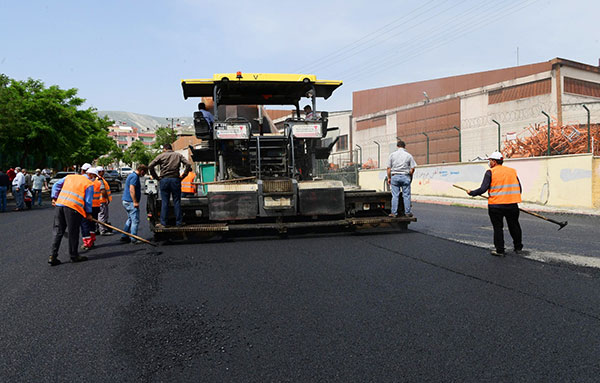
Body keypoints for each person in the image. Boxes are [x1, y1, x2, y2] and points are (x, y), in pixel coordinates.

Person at [465, 151, 523, 257]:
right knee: (514, 226)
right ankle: (518, 247)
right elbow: (519, 188)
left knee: (498, 228)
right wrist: (511, 198)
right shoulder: (512, 171)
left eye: (490, 160)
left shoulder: (490, 172)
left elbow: (483, 189)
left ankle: (500, 250)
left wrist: (472, 193)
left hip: (496, 206)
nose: (489, 163)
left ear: (494, 162)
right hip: (512, 205)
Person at [49, 171, 95, 265]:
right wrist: (89, 213)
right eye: (94, 176)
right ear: (90, 175)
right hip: (73, 209)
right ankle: (74, 256)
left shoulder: (69, 177)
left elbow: (55, 186)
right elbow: (88, 201)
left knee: (58, 231)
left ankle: (52, 256)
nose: (94, 178)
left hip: (60, 205)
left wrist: (54, 198)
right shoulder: (89, 184)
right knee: (73, 232)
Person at [148, 144, 192, 227]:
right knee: (177, 202)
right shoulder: (178, 155)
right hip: (175, 179)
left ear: (164, 149)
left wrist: (156, 177)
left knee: (165, 202)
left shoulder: (161, 156)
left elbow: (150, 166)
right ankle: (179, 222)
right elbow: (188, 164)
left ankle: (163, 222)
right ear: (171, 148)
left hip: (164, 180)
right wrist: (183, 175)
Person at [387, 140, 417, 217]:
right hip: (405, 176)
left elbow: (388, 168)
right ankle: (407, 212)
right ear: (404, 146)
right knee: (406, 195)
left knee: (395, 196)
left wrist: (389, 178)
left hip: (395, 176)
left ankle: (394, 213)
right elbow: (413, 168)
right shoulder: (409, 155)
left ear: (397, 146)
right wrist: (410, 174)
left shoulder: (392, 155)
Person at [120, 164, 148, 244]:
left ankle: (124, 236)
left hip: (126, 201)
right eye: (144, 173)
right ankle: (134, 239)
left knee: (130, 219)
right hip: (130, 202)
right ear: (142, 171)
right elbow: (132, 189)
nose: (144, 174)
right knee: (135, 220)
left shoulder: (132, 175)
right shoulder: (135, 177)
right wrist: (135, 201)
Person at [80, 167, 103, 251]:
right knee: (92, 224)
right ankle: (92, 240)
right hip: (96, 206)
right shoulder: (98, 182)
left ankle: (87, 243)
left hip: (87, 207)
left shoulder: (86, 183)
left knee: (85, 225)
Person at [96, 166, 113, 236]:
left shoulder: (96, 179)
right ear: (100, 172)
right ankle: (103, 230)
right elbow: (103, 190)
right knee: (102, 216)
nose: (104, 172)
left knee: (100, 216)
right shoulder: (100, 180)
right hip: (102, 200)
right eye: (103, 171)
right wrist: (107, 198)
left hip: (98, 200)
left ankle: (98, 228)